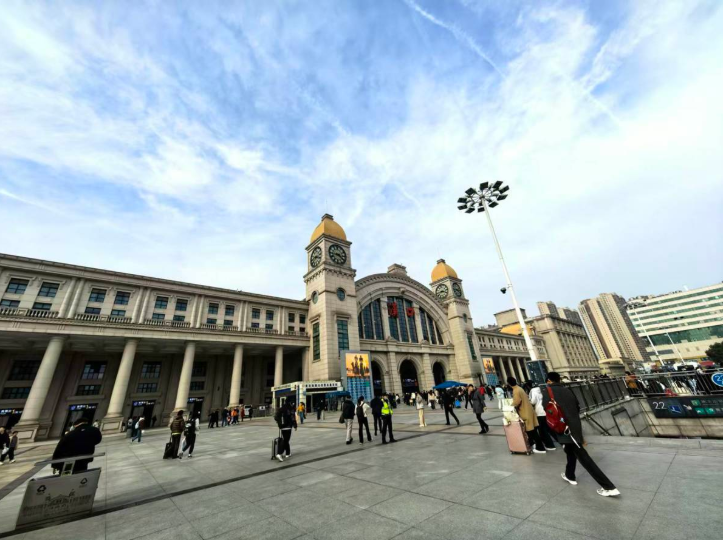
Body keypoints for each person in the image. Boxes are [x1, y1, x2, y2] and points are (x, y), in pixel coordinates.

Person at [542, 372, 620, 497]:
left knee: (583, 457)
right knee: (570, 450)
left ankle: (609, 487)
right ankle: (569, 475)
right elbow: (577, 406)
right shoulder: (568, 390)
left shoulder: (548, 391)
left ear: (549, 381)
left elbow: (547, 408)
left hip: (564, 427)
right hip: (574, 425)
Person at [508, 376, 546, 454]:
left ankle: (540, 448)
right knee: (532, 431)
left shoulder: (515, 390)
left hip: (525, 412)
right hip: (529, 411)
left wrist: (509, 407)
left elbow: (516, 401)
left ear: (509, 384)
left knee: (531, 431)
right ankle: (532, 444)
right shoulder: (519, 388)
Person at [528, 383, 556, 450]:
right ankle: (557, 441)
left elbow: (533, 401)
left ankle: (549, 445)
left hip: (539, 412)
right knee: (548, 428)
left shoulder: (533, 391)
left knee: (542, 430)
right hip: (546, 410)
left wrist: (529, 401)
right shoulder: (542, 389)